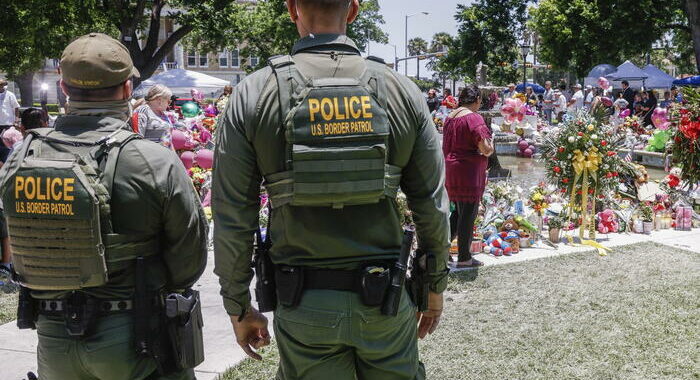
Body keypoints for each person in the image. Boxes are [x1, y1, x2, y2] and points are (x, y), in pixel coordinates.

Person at [212, 1, 449, 378]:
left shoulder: (255, 93)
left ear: (292, 9)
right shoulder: (401, 90)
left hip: (303, 304)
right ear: (353, 10)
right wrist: (434, 285)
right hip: (384, 301)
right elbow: (432, 204)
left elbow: (231, 213)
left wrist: (238, 304)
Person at [0, 33, 208, 380]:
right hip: (136, 338)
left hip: (53, 339)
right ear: (127, 89)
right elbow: (189, 260)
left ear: (64, 88)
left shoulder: (23, 155)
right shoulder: (152, 160)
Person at [442, 85, 493, 268]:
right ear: (477, 99)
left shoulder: (450, 117)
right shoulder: (474, 118)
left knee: (456, 213)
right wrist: (491, 146)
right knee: (467, 215)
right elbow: (486, 149)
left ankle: (442, 252)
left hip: (451, 170)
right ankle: (464, 257)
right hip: (468, 171)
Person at [0, 78, 20, 165]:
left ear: (3, 86)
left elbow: (16, 108)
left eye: (1, 85)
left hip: (7, 124)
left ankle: (8, 162)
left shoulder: (10, 95)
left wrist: (16, 121)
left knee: (7, 145)